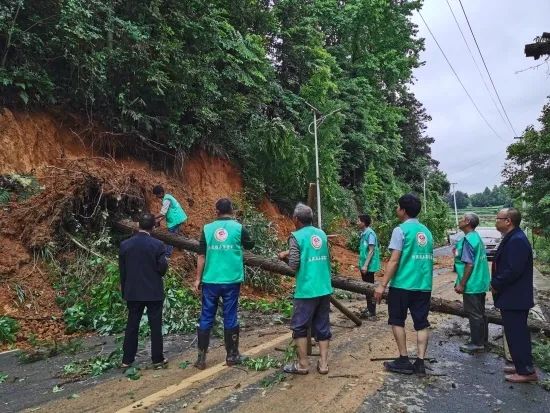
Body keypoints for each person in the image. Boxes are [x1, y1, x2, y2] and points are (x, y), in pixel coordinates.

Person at [374, 194, 433, 376]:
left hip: (402, 285)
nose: (396, 209)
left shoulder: (400, 231)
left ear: (404, 210)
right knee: (421, 323)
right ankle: (420, 362)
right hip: (423, 285)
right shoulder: (427, 232)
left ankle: (404, 359)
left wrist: (382, 285)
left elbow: (394, 261)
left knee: (397, 320)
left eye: (398, 206)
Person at [193, 198, 254, 370]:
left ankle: (201, 358)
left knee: (206, 316)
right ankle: (232, 355)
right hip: (231, 280)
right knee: (230, 315)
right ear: (232, 211)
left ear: (216, 211)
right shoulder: (239, 228)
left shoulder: (207, 229)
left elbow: (201, 256)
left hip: (210, 280)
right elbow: (251, 244)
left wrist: (198, 278)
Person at [278, 203, 333, 375]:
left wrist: (284, 258)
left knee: (300, 327)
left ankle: (303, 365)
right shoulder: (321, 234)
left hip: (306, 289)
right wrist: (290, 252)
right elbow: (317, 254)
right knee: (323, 327)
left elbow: (294, 264)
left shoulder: (295, 236)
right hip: (324, 287)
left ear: (296, 219)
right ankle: (323, 364)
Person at [492, 208, 538, 383]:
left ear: (508, 221)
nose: (496, 221)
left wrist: (496, 284)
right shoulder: (512, 237)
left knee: (517, 333)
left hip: (515, 297)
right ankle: (521, 364)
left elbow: (513, 270)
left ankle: (526, 371)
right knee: (514, 332)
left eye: (498, 218)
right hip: (512, 297)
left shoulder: (517, 240)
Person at [119, 213, 168, 368]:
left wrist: (125, 292)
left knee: (132, 325)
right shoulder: (158, 245)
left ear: (138, 225)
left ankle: (127, 359)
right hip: (153, 292)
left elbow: (123, 271)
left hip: (133, 292)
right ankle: (157, 359)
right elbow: (162, 269)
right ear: (153, 227)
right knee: (155, 326)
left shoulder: (125, 245)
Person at [454, 213, 490, 353]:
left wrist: (462, 284)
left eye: (462, 219)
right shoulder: (476, 237)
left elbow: (469, 264)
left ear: (468, 222)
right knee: (480, 313)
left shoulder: (468, 240)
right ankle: (482, 340)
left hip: (472, 283)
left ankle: (477, 343)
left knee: (474, 314)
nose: (460, 221)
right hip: (480, 281)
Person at [357, 214, 382, 319]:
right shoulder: (364, 233)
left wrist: (366, 265)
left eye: (358, 221)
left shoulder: (370, 233)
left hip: (369, 266)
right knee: (366, 288)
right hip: (364, 265)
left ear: (363, 222)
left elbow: (371, 250)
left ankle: (372, 312)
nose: (357, 222)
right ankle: (369, 308)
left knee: (370, 288)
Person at [152, 185, 188, 257]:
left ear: (161, 193)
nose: (156, 196)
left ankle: (167, 254)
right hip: (179, 217)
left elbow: (163, 213)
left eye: (157, 195)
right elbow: (166, 211)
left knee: (170, 236)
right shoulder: (168, 196)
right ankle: (182, 246)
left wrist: (152, 218)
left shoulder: (166, 200)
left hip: (175, 219)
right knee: (175, 233)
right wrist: (159, 220)